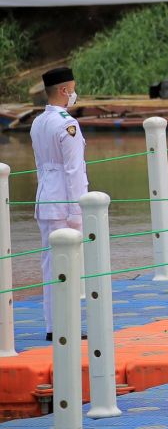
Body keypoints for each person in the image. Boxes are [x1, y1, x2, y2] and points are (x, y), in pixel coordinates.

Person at [30, 67, 88, 341]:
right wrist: (79, 210)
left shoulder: (38, 122)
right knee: (68, 264)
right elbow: (74, 170)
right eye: (73, 88)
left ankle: (54, 324)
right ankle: (67, 323)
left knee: (50, 264)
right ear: (64, 90)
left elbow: (42, 166)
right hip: (64, 200)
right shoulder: (68, 124)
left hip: (45, 196)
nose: (75, 94)